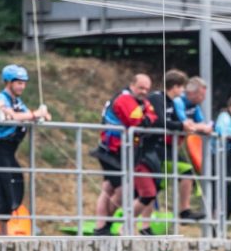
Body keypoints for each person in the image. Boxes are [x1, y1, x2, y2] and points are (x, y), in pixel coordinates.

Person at [0, 64, 51, 236]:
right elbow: (14, 116)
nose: (22, 86)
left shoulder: (17, 101)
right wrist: (34, 114)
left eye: (23, 83)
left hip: (9, 152)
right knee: (0, 192)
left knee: (13, 190)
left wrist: (40, 113)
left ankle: (3, 234)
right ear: (8, 82)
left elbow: (28, 114)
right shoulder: (1, 98)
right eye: (18, 83)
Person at [92, 73, 159, 236]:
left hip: (122, 151)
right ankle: (102, 225)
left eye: (147, 89)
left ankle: (104, 225)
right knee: (117, 189)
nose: (144, 92)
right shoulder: (124, 99)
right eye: (141, 88)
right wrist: (147, 119)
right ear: (132, 85)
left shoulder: (139, 101)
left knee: (111, 187)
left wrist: (147, 118)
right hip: (111, 151)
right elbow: (137, 121)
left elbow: (152, 116)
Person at [146, 69, 204, 222]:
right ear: (176, 86)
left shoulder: (173, 103)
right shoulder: (157, 98)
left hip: (167, 147)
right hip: (153, 146)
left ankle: (184, 211)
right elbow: (158, 121)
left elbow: (181, 121)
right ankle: (143, 223)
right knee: (152, 187)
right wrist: (181, 126)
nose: (184, 90)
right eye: (182, 87)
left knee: (186, 172)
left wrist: (188, 125)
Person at [172, 77, 214, 217]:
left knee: (187, 174)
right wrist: (198, 127)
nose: (203, 98)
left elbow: (202, 125)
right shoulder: (179, 101)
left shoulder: (195, 106)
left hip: (175, 145)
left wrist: (199, 127)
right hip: (164, 144)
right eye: (201, 95)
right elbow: (185, 124)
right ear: (191, 93)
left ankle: (185, 210)